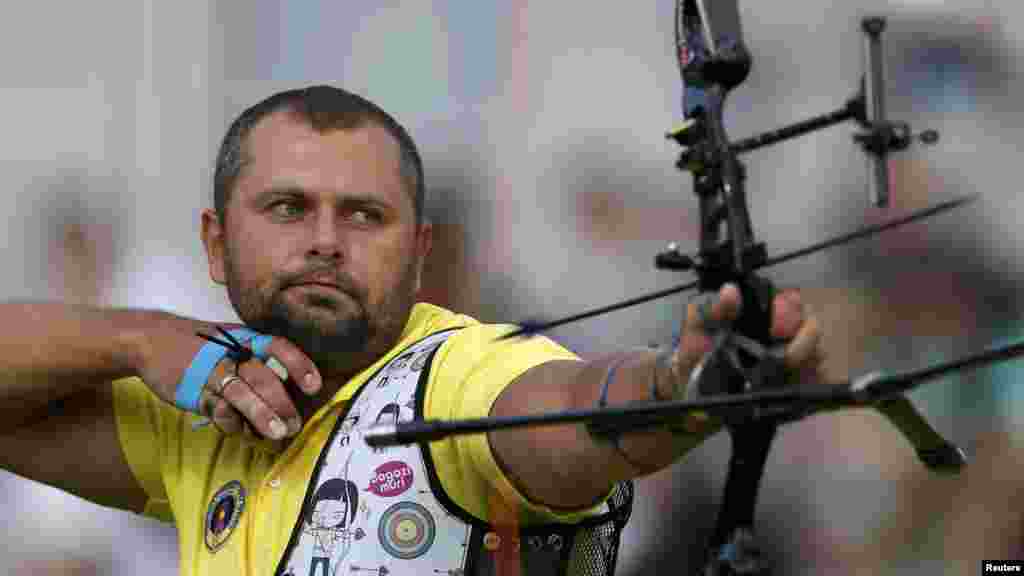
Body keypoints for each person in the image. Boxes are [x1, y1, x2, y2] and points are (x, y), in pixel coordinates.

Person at [0, 85, 826, 576]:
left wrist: (677, 388)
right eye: (288, 208)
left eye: (364, 215)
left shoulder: (463, 372)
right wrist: (139, 338)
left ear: (419, 251)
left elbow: (568, 411)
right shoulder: (218, 415)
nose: (325, 240)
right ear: (217, 244)